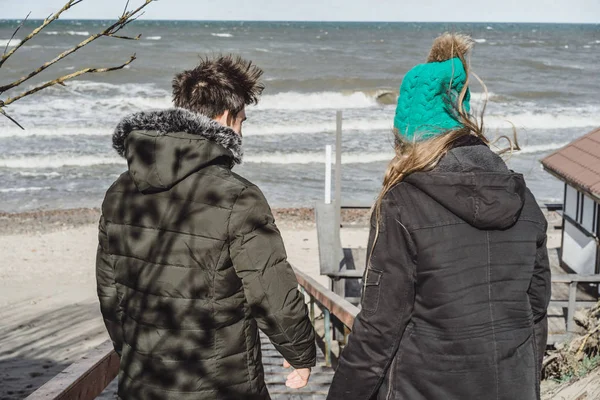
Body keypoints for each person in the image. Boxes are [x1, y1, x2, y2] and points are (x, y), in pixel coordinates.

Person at [327, 33, 550, 400]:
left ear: (412, 138)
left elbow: (379, 330)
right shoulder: (525, 201)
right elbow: (536, 312)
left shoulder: (402, 203)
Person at [96, 55, 315, 400]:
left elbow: (110, 293)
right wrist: (300, 352)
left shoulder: (120, 191)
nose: (242, 131)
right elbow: (270, 286)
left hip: (143, 381)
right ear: (226, 117)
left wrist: (129, 352)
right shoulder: (237, 196)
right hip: (220, 384)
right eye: (242, 120)